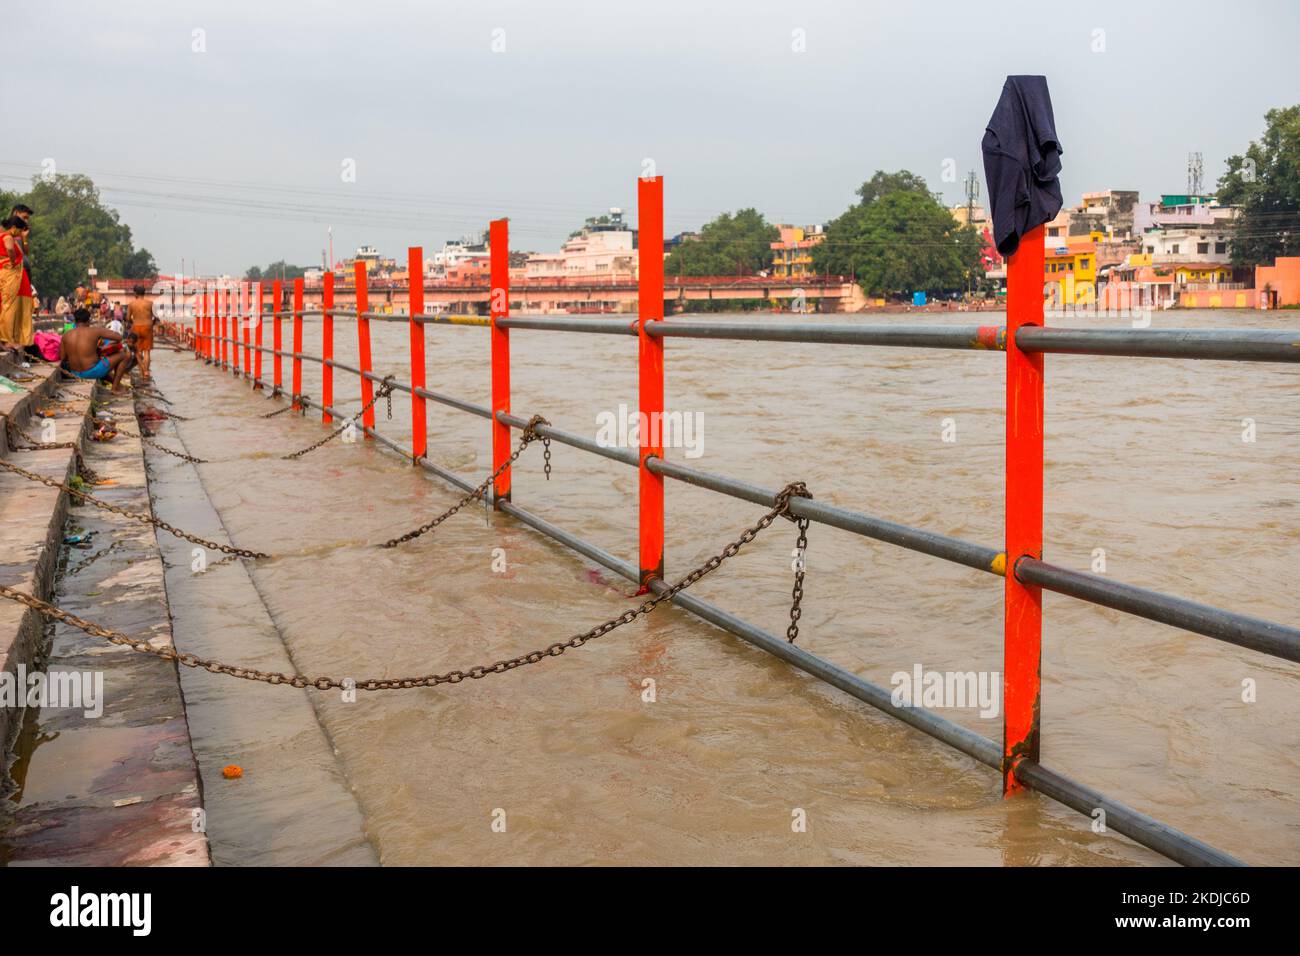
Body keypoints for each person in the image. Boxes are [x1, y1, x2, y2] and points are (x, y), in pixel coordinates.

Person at [59, 307, 134, 390]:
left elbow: (63, 357)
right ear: (88, 320)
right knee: (124, 355)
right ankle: (115, 388)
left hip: (75, 373)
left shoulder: (66, 335)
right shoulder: (95, 331)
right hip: (91, 372)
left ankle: (116, 384)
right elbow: (119, 337)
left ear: (75, 321)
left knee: (99, 360)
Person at [0, 216, 25, 354]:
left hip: (3, 273)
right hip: (7, 274)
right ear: (14, 228)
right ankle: (6, 340)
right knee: (8, 307)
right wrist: (13, 261)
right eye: (20, 230)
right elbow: (10, 249)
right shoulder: (8, 236)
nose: (20, 234)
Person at [126, 284, 156, 378]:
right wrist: (152, 324)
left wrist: (133, 322)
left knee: (138, 351)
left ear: (135, 293)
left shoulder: (131, 304)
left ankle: (142, 372)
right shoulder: (150, 303)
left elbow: (127, 318)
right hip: (148, 327)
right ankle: (146, 372)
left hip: (136, 327)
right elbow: (155, 316)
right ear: (144, 293)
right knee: (147, 351)